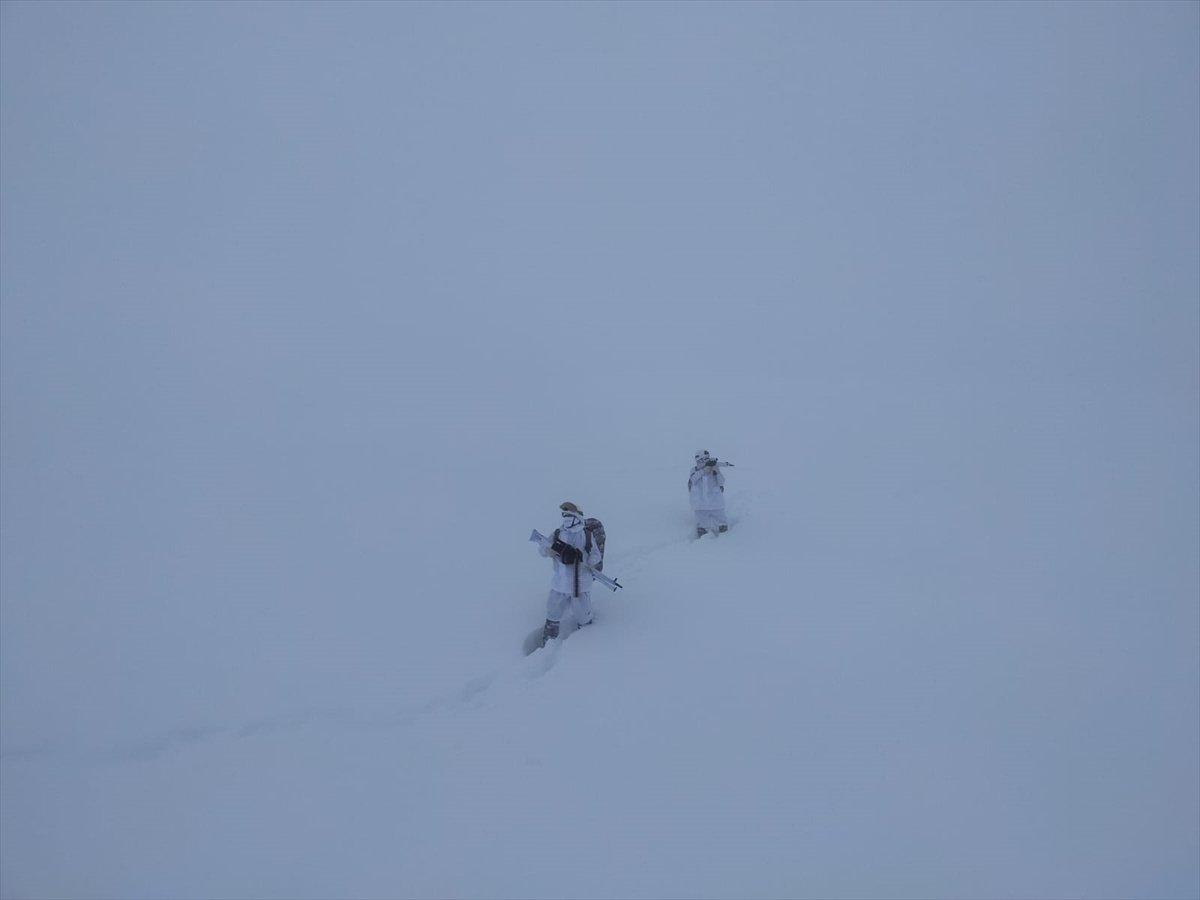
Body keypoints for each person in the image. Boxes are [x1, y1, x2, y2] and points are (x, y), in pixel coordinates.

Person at [539, 501, 603, 645]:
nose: (566, 519)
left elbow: (596, 554)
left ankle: (585, 643)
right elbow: (543, 548)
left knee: (583, 615)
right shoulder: (557, 533)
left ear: (577, 516)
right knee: (553, 611)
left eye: (569, 515)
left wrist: (589, 561)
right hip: (559, 584)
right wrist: (547, 550)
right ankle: (549, 638)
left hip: (580, 585)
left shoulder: (586, 535)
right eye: (564, 515)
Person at [688, 451, 729, 537]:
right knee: (701, 524)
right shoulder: (694, 470)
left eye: (707, 458)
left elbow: (721, 482)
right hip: (700, 503)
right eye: (704, 459)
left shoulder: (713, 469)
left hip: (715, 502)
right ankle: (702, 540)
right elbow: (693, 479)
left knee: (722, 522)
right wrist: (704, 470)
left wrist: (717, 471)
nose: (707, 460)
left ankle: (725, 539)